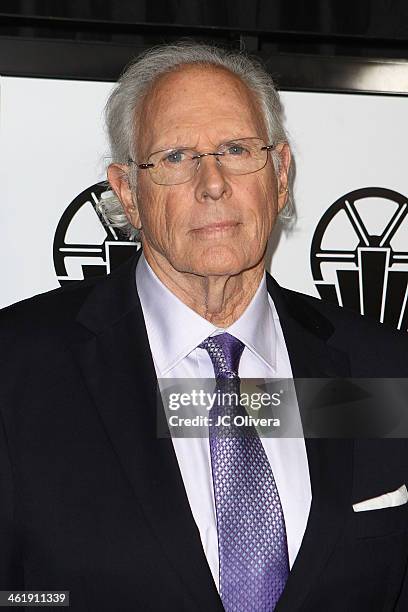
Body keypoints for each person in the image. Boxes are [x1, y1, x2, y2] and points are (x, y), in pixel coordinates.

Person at [0, 42, 407, 612]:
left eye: (237, 150)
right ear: (127, 194)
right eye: (175, 157)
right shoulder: (19, 370)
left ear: (281, 174)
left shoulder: (383, 367)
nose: (212, 183)